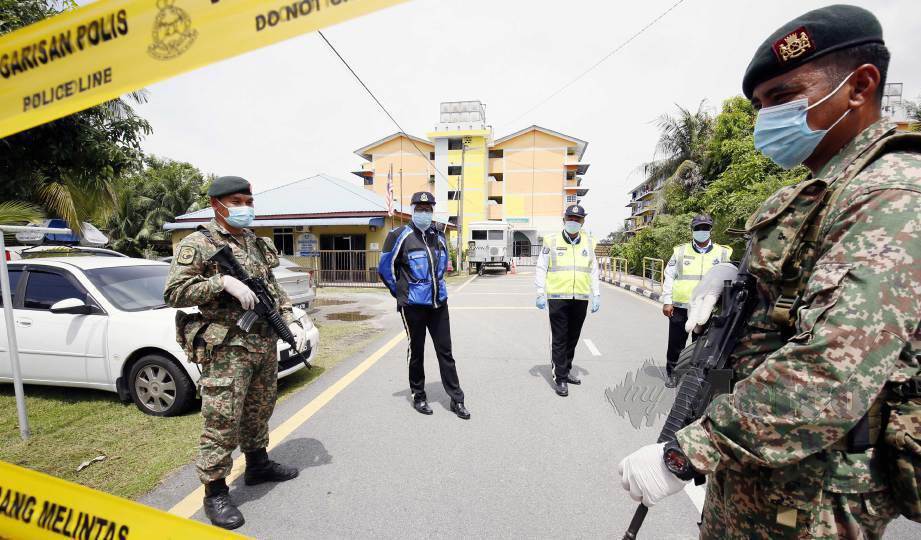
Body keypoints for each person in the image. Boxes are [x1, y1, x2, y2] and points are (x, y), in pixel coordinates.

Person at [618, 5, 921, 539]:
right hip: (755, 473)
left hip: (815, 495)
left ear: (860, 86)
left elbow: (833, 371)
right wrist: (736, 282)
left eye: (784, 97)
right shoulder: (812, 193)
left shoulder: (892, 194)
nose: (767, 119)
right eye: (760, 106)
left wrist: (683, 455)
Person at [164, 176, 305, 530]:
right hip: (227, 347)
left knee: (259, 409)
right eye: (237, 201)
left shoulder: (255, 244)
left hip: (262, 342)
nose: (245, 207)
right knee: (222, 418)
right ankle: (214, 492)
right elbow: (173, 293)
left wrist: (290, 318)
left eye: (249, 201)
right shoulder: (197, 243)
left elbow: (272, 289)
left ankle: (257, 465)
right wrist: (221, 282)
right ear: (217, 205)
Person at [379, 191, 470, 419]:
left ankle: (456, 399)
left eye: (428, 209)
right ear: (412, 209)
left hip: (438, 303)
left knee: (445, 352)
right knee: (417, 351)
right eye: (419, 209)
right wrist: (401, 293)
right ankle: (419, 395)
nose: (424, 212)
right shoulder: (398, 235)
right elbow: (385, 269)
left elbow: (443, 266)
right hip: (413, 306)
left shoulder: (439, 235)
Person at [535, 204, 601, 397]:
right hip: (557, 297)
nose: (573, 222)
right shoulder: (552, 241)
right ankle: (560, 378)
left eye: (577, 219)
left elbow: (593, 270)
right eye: (570, 218)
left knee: (573, 337)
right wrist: (540, 292)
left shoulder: (589, 243)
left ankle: (567, 369)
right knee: (560, 338)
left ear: (583, 222)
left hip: (580, 297)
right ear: (564, 220)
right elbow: (541, 267)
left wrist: (596, 294)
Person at [660, 215, 732, 388]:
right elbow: (669, 276)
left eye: (705, 228)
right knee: (676, 343)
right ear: (692, 230)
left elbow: (728, 276)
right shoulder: (680, 251)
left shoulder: (722, 253)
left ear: (710, 230)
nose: (702, 231)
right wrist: (667, 301)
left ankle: (694, 375)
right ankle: (673, 374)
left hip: (707, 308)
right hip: (681, 305)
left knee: (701, 344)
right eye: (698, 228)